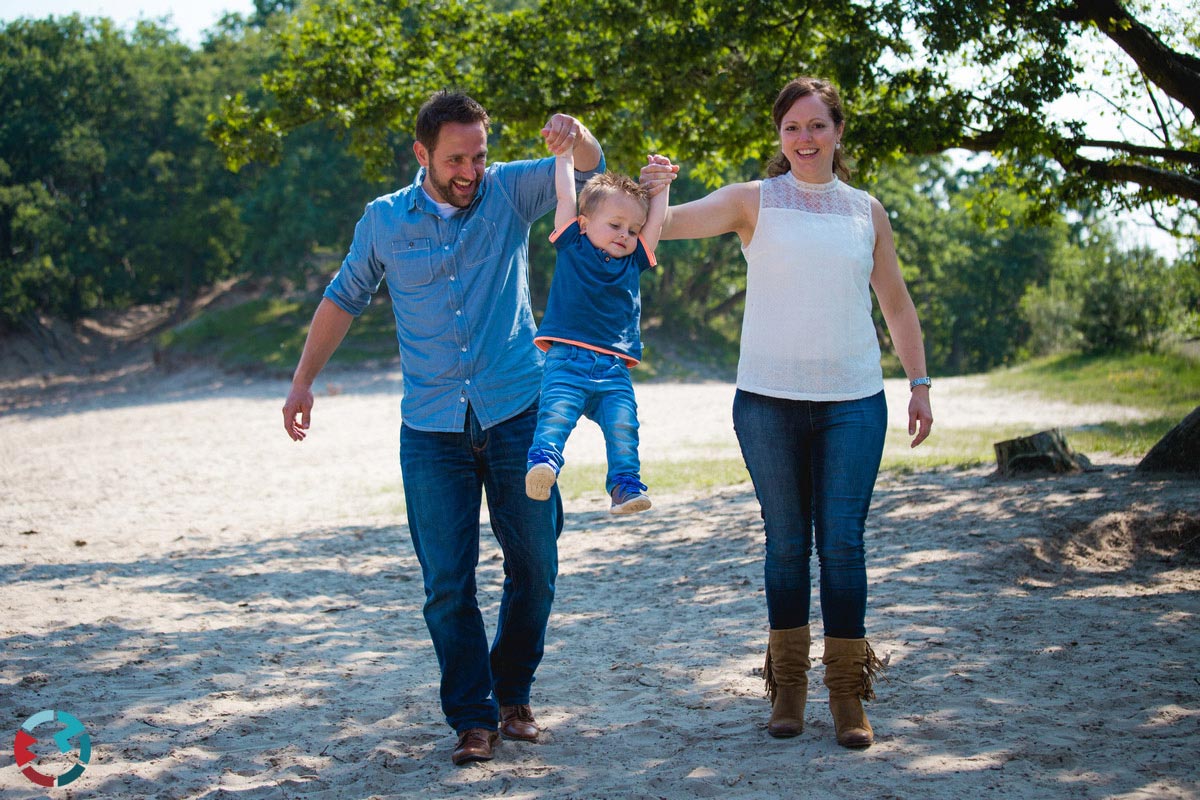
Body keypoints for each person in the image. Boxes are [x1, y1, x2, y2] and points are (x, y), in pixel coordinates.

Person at [281, 90, 604, 766]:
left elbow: (589, 171)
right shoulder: (383, 221)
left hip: (517, 412)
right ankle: (473, 717)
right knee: (447, 584)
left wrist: (577, 138)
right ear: (422, 154)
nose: (470, 171)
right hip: (431, 429)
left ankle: (511, 692)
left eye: (479, 156)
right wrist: (304, 380)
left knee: (537, 566)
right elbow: (343, 296)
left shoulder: (511, 191)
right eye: (456, 159)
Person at [641, 76, 933, 748]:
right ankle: (790, 692)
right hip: (768, 402)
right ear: (779, 137)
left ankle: (848, 698)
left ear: (837, 132)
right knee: (785, 548)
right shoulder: (753, 201)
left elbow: (895, 303)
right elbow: (669, 229)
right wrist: (655, 193)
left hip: (854, 402)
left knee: (843, 547)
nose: (805, 139)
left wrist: (917, 382)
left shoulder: (867, 211)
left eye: (817, 126)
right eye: (792, 128)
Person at [523, 140, 669, 515]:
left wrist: (662, 188)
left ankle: (625, 485)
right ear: (585, 224)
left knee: (624, 426)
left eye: (632, 229)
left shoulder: (633, 260)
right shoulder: (572, 242)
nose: (626, 234)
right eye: (615, 225)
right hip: (567, 360)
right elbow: (564, 195)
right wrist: (565, 157)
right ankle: (544, 464)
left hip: (614, 369)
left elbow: (655, 222)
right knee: (555, 415)